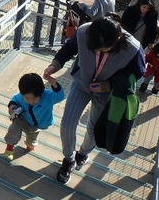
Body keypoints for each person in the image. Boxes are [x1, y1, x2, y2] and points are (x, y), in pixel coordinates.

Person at [43, 17, 145, 184]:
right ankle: (68, 160)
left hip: (105, 93)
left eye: (104, 49)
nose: (99, 51)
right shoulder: (84, 31)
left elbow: (137, 74)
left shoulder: (133, 49)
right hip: (81, 83)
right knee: (67, 124)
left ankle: (82, 153)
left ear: (118, 40)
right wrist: (55, 65)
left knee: (93, 129)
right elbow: (69, 48)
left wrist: (108, 85)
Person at [3, 73, 64, 160]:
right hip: (23, 119)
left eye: (34, 98)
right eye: (26, 98)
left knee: (32, 139)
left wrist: (54, 84)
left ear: (41, 93)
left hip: (37, 125)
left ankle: (29, 147)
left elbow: (60, 97)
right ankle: (9, 147)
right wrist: (12, 106)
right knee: (13, 130)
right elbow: (15, 99)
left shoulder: (47, 97)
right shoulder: (21, 96)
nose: (30, 101)